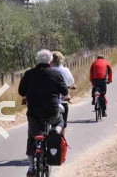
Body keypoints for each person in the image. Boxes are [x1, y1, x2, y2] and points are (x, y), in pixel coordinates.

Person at [19, 49, 69, 177]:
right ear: (50, 61)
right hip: (52, 111)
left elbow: (21, 91)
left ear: (37, 60)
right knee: (60, 121)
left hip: (34, 113)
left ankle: (31, 167)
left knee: (31, 137)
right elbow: (64, 91)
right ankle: (56, 132)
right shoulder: (55, 74)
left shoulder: (29, 74)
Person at [51, 51, 75, 136]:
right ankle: (61, 140)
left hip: (48, 102)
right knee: (63, 123)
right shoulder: (65, 70)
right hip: (62, 101)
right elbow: (71, 82)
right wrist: (70, 86)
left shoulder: (47, 71)